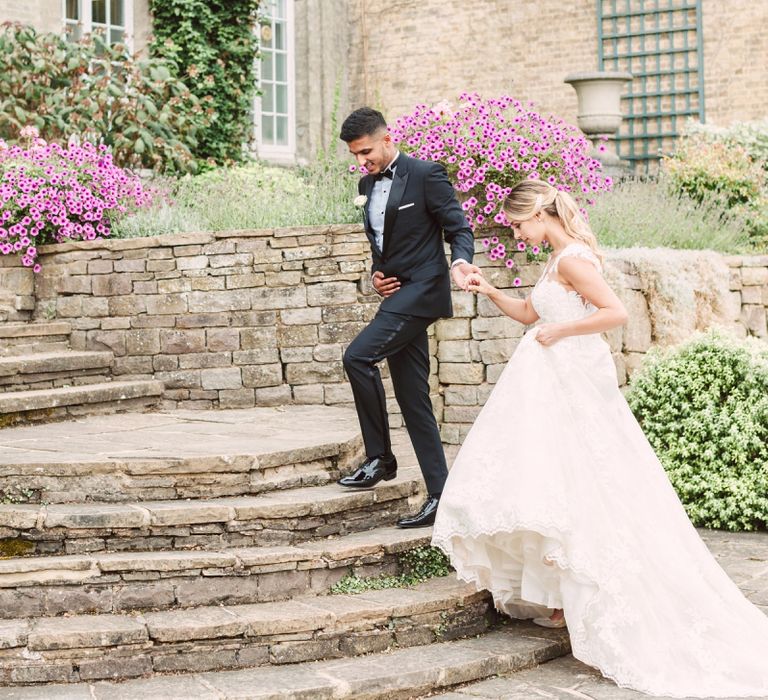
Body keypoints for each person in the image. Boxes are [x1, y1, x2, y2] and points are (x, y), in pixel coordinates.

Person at [432, 179, 768, 697]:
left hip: (569, 380)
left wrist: (560, 333)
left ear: (540, 215)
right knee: (562, 478)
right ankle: (565, 589)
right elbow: (531, 314)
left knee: (589, 477)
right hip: (550, 380)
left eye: (518, 223)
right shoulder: (556, 258)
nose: (516, 232)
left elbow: (616, 313)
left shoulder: (571, 259)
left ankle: (589, 588)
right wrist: (490, 289)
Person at [337, 107, 479, 528]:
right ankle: (441, 496)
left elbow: (459, 229)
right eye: (355, 155)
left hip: (424, 291)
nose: (362, 163)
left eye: (366, 152)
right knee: (413, 398)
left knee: (357, 357)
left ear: (386, 138)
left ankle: (380, 457)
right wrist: (376, 275)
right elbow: (382, 242)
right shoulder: (366, 183)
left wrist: (460, 263)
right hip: (397, 295)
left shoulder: (425, 174)